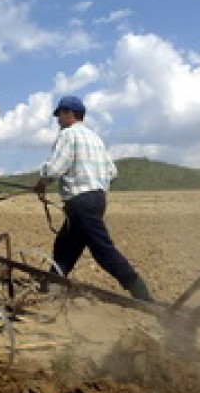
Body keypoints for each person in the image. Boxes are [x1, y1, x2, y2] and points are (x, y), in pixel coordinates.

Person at [34, 95, 154, 302]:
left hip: (80, 201)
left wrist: (41, 183)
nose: (58, 120)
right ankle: (51, 285)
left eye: (60, 115)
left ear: (70, 114)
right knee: (65, 246)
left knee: (102, 250)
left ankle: (142, 294)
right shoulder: (95, 138)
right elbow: (112, 172)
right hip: (98, 199)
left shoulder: (68, 135)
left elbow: (54, 169)